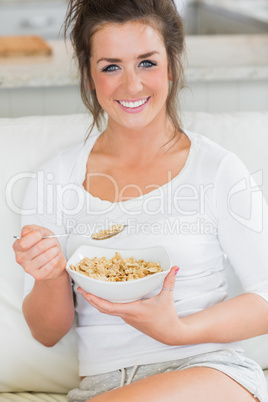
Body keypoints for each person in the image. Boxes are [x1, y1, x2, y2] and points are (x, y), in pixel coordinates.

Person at [13, 1, 268, 401]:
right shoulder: (55, 177)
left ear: (171, 64)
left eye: (146, 63)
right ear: (88, 75)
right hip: (103, 387)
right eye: (111, 66)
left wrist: (178, 330)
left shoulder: (216, 169)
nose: (131, 85)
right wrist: (51, 275)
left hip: (206, 371)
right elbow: (47, 333)